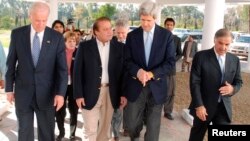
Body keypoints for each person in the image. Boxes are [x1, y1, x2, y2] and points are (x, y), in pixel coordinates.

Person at [5, 2, 68, 141]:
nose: (40, 24)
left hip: (47, 95)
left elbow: (62, 70)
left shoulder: (56, 37)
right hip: (23, 94)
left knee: (47, 134)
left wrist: (60, 94)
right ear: (30, 16)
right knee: (24, 133)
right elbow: (10, 63)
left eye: (44, 20)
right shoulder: (17, 34)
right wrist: (9, 89)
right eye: (37, 20)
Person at [124, 1, 175, 141]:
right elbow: (127, 60)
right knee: (132, 124)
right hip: (136, 86)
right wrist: (138, 71)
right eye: (142, 20)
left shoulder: (166, 36)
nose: (145, 23)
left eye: (148, 20)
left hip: (157, 87)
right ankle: (135, 136)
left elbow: (170, 62)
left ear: (155, 18)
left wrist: (152, 73)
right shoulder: (132, 36)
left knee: (153, 129)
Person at [73, 17, 127, 141]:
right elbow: (77, 72)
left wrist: (123, 94)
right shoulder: (84, 47)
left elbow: (123, 74)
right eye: (105, 29)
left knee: (104, 130)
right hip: (89, 93)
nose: (110, 32)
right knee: (90, 130)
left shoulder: (120, 47)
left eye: (110, 28)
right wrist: (78, 95)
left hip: (111, 93)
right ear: (95, 32)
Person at [188, 28, 243, 141]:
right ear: (214, 40)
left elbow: (239, 82)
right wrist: (199, 105)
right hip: (203, 107)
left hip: (223, 108)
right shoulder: (201, 56)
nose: (223, 47)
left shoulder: (235, 60)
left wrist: (232, 88)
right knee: (196, 137)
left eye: (227, 44)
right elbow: (195, 83)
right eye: (220, 43)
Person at [55, 31, 79, 141]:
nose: (72, 43)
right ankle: (61, 132)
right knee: (60, 109)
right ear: (64, 42)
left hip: (74, 85)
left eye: (74, 41)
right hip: (61, 85)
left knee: (73, 110)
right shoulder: (59, 53)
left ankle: (72, 133)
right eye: (69, 41)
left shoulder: (79, 52)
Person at [111, 19, 130, 141]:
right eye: (118, 33)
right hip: (116, 82)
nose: (120, 35)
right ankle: (115, 133)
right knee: (117, 110)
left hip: (131, 81)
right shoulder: (110, 44)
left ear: (128, 31)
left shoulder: (133, 43)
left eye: (123, 33)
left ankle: (127, 127)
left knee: (128, 109)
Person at [163, 17, 182, 120]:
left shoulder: (177, 39)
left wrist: (172, 60)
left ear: (173, 26)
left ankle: (168, 111)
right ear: (164, 25)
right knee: (156, 90)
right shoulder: (158, 37)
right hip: (159, 69)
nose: (169, 26)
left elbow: (180, 53)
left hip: (171, 70)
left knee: (171, 91)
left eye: (171, 25)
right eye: (167, 24)